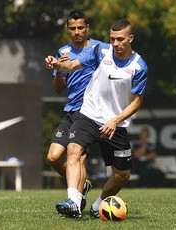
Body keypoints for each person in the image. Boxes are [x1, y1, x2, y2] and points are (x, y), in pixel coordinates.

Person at [45, 18, 148, 218]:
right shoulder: (100, 51)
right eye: (112, 39)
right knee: (73, 150)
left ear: (130, 38)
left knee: (122, 175)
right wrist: (57, 65)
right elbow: (72, 65)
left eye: (120, 39)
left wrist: (115, 121)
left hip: (114, 124)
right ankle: (74, 201)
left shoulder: (139, 66)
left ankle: (98, 205)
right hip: (89, 115)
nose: (116, 44)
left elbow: (136, 102)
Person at [45, 10, 103, 211]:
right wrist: (58, 68)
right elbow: (58, 88)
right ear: (68, 30)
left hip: (88, 113)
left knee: (77, 157)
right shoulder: (63, 51)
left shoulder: (98, 49)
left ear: (87, 28)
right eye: (73, 28)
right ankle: (81, 186)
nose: (77, 31)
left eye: (80, 27)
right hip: (70, 111)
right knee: (53, 157)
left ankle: (75, 203)